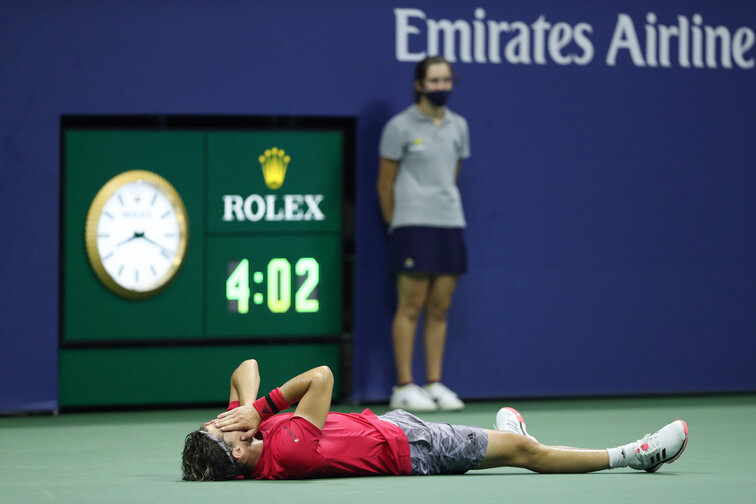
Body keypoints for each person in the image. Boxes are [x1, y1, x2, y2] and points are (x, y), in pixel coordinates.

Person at [181, 359, 689, 481]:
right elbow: (321, 377)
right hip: (414, 448)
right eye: (220, 430)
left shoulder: (240, 438)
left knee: (505, 441)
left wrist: (243, 411)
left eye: (215, 421)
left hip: (391, 424)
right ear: (240, 453)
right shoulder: (284, 444)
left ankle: (504, 436)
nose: (221, 421)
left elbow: (244, 368)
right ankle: (631, 456)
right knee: (527, 455)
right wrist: (263, 409)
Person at [376, 55, 471, 411]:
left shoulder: (459, 126)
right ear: (419, 84)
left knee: (441, 306)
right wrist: (397, 224)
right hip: (411, 225)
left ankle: (433, 383)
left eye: (446, 80)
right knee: (411, 305)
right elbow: (384, 185)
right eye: (434, 80)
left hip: (450, 221)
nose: (441, 86)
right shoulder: (399, 127)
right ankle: (404, 385)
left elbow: (452, 173)